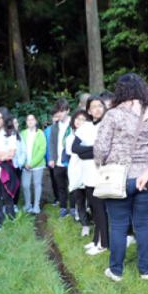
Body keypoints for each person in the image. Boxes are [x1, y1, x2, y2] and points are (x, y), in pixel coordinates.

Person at [93, 73, 148, 282]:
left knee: (117, 224)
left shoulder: (113, 115)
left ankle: (116, 271)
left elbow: (100, 147)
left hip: (118, 176)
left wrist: (102, 166)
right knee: (143, 223)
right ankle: (146, 270)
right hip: (147, 177)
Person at [74, 96, 109, 255]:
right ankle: (96, 240)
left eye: (100, 106)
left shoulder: (108, 125)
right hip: (87, 174)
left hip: (102, 174)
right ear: (88, 110)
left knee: (101, 209)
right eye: (93, 107)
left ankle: (103, 243)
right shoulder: (86, 127)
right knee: (94, 209)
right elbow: (76, 149)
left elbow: (105, 151)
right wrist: (94, 149)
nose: (97, 109)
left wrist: (89, 150)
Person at [45, 99, 73, 216]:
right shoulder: (55, 126)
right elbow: (51, 143)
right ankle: (63, 207)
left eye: (62, 111)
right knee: (60, 186)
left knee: (72, 185)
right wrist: (51, 158)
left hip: (72, 161)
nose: (59, 114)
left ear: (68, 110)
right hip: (58, 162)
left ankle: (73, 207)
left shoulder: (74, 123)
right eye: (58, 111)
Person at [66, 110, 91, 234]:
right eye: (77, 118)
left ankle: (95, 221)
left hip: (89, 168)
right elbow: (74, 151)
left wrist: (83, 150)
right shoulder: (70, 138)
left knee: (91, 198)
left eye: (83, 119)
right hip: (76, 169)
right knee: (79, 198)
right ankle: (84, 225)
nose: (79, 121)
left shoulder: (90, 135)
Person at [19, 113, 48, 214]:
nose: (30, 121)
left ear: (36, 121)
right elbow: (20, 149)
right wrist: (24, 163)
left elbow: (42, 150)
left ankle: (36, 206)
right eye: (28, 120)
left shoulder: (40, 133)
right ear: (26, 122)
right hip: (25, 165)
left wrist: (32, 163)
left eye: (32, 119)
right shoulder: (23, 133)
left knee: (37, 184)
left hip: (37, 165)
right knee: (25, 185)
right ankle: (27, 205)